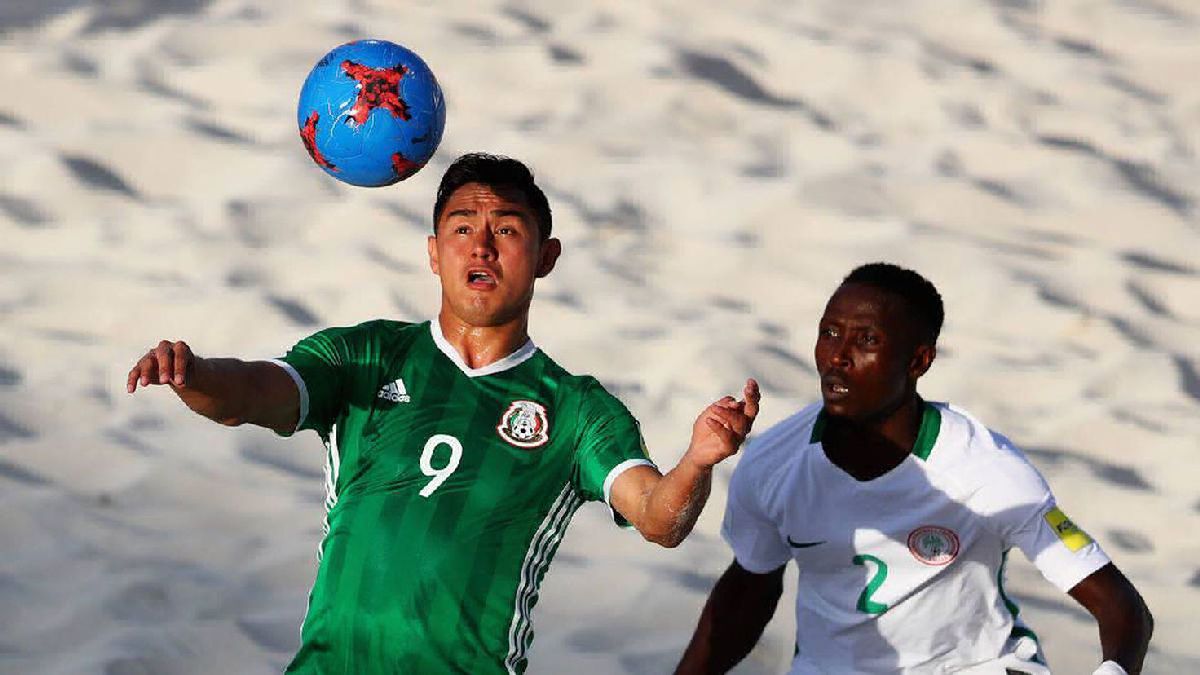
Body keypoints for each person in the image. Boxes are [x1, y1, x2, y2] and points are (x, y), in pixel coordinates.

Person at [126, 153, 761, 674]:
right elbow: (254, 394)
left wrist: (699, 460)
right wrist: (196, 372)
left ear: (546, 257)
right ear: (434, 252)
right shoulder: (366, 354)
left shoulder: (576, 409)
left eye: (506, 230)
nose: (480, 245)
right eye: (462, 228)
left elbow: (658, 517)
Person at [675, 263, 1152, 675]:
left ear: (919, 361)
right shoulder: (771, 462)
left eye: (867, 340)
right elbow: (748, 593)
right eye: (829, 333)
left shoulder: (984, 467)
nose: (838, 356)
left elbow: (1122, 609)